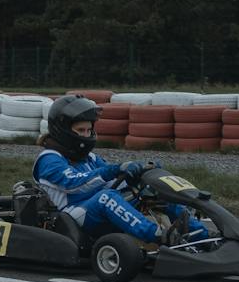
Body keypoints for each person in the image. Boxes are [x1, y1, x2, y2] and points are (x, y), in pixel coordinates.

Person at [34, 95, 206, 246]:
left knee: (150, 192)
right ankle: (159, 236)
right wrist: (115, 170)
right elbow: (74, 184)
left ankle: (202, 235)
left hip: (96, 211)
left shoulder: (89, 158)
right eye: (80, 130)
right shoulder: (49, 159)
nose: (86, 135)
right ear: (62, 130)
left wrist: (139, 174)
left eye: (89, 130)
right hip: (72, 216)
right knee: (106, 197)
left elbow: (113, 179)